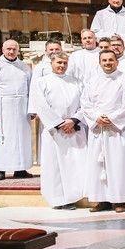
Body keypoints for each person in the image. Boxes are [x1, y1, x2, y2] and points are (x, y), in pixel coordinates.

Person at [80, 50, 125, 213]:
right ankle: (101, 200)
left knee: (118, 164)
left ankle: (119, 200)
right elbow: (85, 103)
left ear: (117, 61)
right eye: (104, 60)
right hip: (98, 128)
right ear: (99, 62)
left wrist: (112, 118)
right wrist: (96, 117)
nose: (107, 63)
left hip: (116, 129)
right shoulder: (92, 80)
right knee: (97, 165)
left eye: (111, 60)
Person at [30, 52, 87, 209]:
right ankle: (57, 199)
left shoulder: (76, 82)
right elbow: (41, 106)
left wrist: (74, 120)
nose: (62, 66)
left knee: (73, 165)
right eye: (59, 63)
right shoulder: (42, 82)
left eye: (64, 63)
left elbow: (85, 104)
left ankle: (72, 197)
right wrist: (59, 124)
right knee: (54, 166)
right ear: (51, 63)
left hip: (74, 129)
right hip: (54, 132)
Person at [0, 39, 34, 181]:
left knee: (22, 138)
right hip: (3, 108)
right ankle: (1, 170)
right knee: (2, 139)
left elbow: (32, 89)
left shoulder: (25, 67)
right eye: (8, 49)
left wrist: (32, 108)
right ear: (3, 50)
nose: (11, 52)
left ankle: (21, 169)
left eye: (14, 49)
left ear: (18, 51)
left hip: (22, 107)